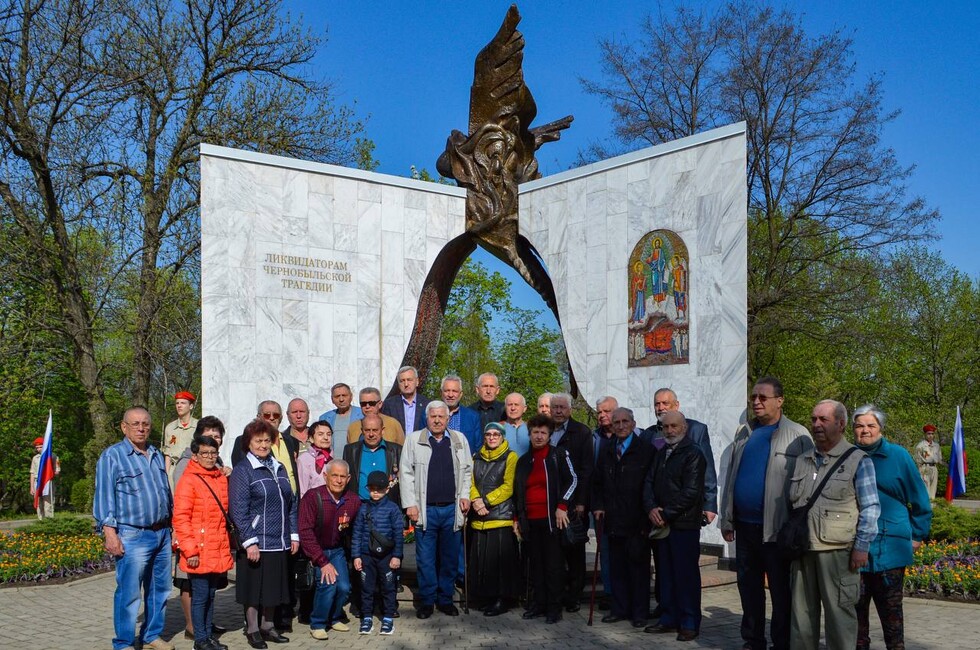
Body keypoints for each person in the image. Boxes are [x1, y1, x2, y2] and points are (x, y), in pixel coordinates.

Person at [718, 376, 813, 650]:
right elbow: (732, 478)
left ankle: (782, 642)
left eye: (763, 397)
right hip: (745, 527)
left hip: (778, 529)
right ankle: (753, 640)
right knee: (748, 588)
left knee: (781, 591)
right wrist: (728, 518)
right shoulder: (745, 432)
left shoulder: (798, 434)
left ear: (780, 400)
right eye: (753, 398)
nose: (756, 402)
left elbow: (808, 484)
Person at [788, 400, 880, 650]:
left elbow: (871, 508)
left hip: (838, 554)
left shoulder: (858, 460)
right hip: (803, 551)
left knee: (840, 620)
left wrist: (862, 547)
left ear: (840, 424)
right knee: (801, 620)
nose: (816, 424)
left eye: (823, 420)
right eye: (814, 419)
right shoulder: (802, 459)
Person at [93, 406, 174, 650]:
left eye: (145, 424)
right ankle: (124, 642)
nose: (141, 428)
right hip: (132, 534)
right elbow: (104, 496)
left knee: (160, 589)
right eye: (135, 424)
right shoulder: (112, 456)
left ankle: (150, 636)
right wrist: (109, 532)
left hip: (161, 533)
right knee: (129, 593)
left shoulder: (156, 454)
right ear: (124, 427)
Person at [853, 405, 932, 650]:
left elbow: (919, 498)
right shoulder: (847, 455)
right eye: (859, 426)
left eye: (870, 425)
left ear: (880, 429)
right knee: (855, 613)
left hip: (891, 545)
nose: (865, 430)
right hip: (855, 546)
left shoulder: (898, 456)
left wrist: (918, 534)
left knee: (891, 614)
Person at [229, 418, 299, 649]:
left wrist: (293, 534)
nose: (263, 445)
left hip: (278, 540)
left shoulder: (277, 466)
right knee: (254, 589)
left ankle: (268, 626)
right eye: (258, 441)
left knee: (273, 587)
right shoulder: (243, 470)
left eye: (267, 441)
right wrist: (249, 542)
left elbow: (291, 502)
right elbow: (238, 510)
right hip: (256, 541)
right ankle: (252, 629)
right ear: (248, 443)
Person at [399, 400, 473, 618]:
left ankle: (445, 599)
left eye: (442, 416)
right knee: (426, 559)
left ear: (448, 419)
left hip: (452, 509)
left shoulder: (459, 440)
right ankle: (427, 601)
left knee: (450, 559)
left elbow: (467, 470)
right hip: (425, 510)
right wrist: (410, 504)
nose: (438, 420)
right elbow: (406, 473)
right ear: (427, 418)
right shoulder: (414, 440)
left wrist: (466, 496)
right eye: (433, 416)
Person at [643, 410, 706, 642]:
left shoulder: (694, 454)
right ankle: (668, 618)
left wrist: (665, 513)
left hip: (683, 524)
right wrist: (651, 508)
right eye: (665, 427)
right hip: (662, 524)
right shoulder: (661, 453)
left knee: (686, 575)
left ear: (684, 428)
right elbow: (648, 482)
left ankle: (689, 622)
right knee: (666, 574)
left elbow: (691, 491)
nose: (669, 431)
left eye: (673, 426)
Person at [171, 416, 232, 641]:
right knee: (198, 596)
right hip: (197, 547)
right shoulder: (188, 477)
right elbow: (181, 517)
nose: (209, 457)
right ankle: (200, 639)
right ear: (195, 455)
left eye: (213, 453)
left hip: (215, 547)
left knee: (210, 595)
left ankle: (207, 636)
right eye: (204, 453)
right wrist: (190, 550)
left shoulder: (219, 476)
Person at [593, 407, 655, 628]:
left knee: (638, 569)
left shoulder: (645, 450)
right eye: (616, 422)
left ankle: (639, 612)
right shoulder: (607, 448)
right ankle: (619, 609)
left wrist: (647, 516)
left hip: (637, 519)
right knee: (617, 567)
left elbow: (651, 484)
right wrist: (598, 505)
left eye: (624, 422)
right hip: (612, 518)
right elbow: (597, 481)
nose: (620, 426)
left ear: (633, 423)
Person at [514, 414, 576, 624]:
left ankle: (554, 607)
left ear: (549, 435)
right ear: (529, 435)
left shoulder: (558, 454)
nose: (539, 436)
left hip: (552, 520)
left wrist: (562, 506)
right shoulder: (523, 461)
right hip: (530, 522)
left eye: (543, 432)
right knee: (536, 566)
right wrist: (517, 518)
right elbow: (518, 491)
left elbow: (573, 480)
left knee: (553, 566)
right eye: (535, 432)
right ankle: (538, 604)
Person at [343, 413, 403, 619]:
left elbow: (402, 481)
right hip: (360, 508)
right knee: (361, 558)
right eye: (366, 430)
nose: (370, 434)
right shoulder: (351, 450)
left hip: (386, 509)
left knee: (386, 559)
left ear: (382, 430)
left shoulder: (396, 450)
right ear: (361, 431)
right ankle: (361, 603)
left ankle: (388, 604)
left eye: (374, 430)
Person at [299, 459, 361, 640]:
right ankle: (317, 623)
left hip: (337, 550)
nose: (339, 480)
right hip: (315, 550)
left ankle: (334, 618)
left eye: (343, 476)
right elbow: (305, 532)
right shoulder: (312, 497)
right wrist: (321, 561)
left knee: (343, 587)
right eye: (335, 475)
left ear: (348, 478)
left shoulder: (353, 500)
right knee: (328, 584)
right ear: (326, 476)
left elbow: (357, 529)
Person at [469, 422, 520, 616]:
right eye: (488, 434)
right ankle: (487, 597)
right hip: (479, 517)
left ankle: (502, 599)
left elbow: (508, 486)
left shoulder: (511, 457)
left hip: (500, 516)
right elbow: (471, 481)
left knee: (499, 563)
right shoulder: (476, 457)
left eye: (496, 434)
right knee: (483, 562)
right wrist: (475, 500)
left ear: (502, 437)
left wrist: (486, 501)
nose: (491, 438)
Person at [548, 392, 593, 612]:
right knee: (556, 551)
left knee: (574, 550)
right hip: (551, 502)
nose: (558, 411)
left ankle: (574, 595)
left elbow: (585, 470)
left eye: (562, 407)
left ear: (569, 410)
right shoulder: (544, 430)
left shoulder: (582, 432)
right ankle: (558, 593)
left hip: (574, 502)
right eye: (554, 407)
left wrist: (581, 502)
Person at [352, 470, 404, 636]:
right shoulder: (363, 508)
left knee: (389, 588)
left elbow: (398, 534)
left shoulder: (393, 509)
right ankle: (366, 618)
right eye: (372, 488)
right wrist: (356, 556)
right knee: (366, 588)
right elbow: (357, 533)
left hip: (387, 557)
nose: (375, 492)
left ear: (387, 489)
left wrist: (397, 556)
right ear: (367, 489)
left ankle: (388, 618)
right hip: (367, 556)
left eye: (379, 489)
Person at [591, 396, 618, 611]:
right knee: (606, 551)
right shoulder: (592, 438)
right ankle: (609, 592)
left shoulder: (633, 437)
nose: (602, 415)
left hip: (627, 508)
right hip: (601, 506)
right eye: (599, 412)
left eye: (607, 411)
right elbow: (593, 475)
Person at [381, 366, 431, 434]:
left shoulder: (427, 404)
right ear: (398, 384)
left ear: (417, 382)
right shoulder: (389, 404)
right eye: (402, 381)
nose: (406, 384)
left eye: (409, 380)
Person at [441, 374, 482, 452]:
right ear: (441, 392)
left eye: (454, 391)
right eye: (447, 391)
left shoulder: (472, 417)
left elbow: (478, 448)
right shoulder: (429, 415)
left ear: (461, 394)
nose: (450, 395)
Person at [163, 391, 198, 472]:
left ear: (191, 406)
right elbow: (167, 454)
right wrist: (167, 474)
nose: (179, 406)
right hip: (173, 469)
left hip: (192, 469)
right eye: (177, 403)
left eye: (183, 403)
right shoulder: (170, 428)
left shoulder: (199, 426)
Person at [297, 420, 334, 497]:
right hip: (314, 503)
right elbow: (302, 489)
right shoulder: (304, 459)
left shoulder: (333, 458)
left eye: (329, 434)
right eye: (320, 434)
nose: (326, 438)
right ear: (311, 438)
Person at [29, 436, 60, 519]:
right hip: (37, 482)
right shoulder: (35, 458)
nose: (38, 449)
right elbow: (32, 473)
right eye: (37, 447)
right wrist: (31, 487)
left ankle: (49, 522)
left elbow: (57, 470)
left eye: (40, 447)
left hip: (48, 482)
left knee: (48, 503)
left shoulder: (53, 456)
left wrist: (54, 472)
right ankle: (41, 521)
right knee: (39, 503)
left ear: (45, 445)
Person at [914, 424, 942, 500]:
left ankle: (932, 508)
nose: (930, 436)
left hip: (934, 468)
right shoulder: (920, 446)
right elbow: (917, 459)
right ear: (925, 434)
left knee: (933, 489)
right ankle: (926, 507)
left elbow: (939, 459)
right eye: (928, 434)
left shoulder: (936, 446)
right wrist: (920, 470)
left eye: (932, 434)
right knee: (925, 490)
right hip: (924, 468)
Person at [502, 392, 530, 456]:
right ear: (505, 408)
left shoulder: (532, 428)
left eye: (516, 404)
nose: (513, 408)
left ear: (524, 408)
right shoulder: (498, 428)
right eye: (510, 405)